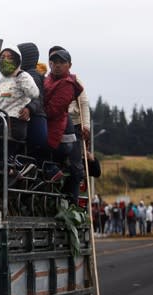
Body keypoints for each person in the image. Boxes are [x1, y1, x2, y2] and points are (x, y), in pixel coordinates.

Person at [49, 46, 90, 206]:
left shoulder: (74, 80)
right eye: (54, 61)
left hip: (74, 125)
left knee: (76, 167)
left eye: (61, 61)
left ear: (68, 64)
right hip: (55, 126)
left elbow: (84, 103)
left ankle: (71, 203)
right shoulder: (47, 81)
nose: (57, 65)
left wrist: (85, 125)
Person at [17, 42, 48, 159]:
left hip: (34, 121)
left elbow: (37, 97)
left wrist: (28, 108)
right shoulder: (29, 74)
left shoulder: (31, 75)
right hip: (37, 121)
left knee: (28, 156)